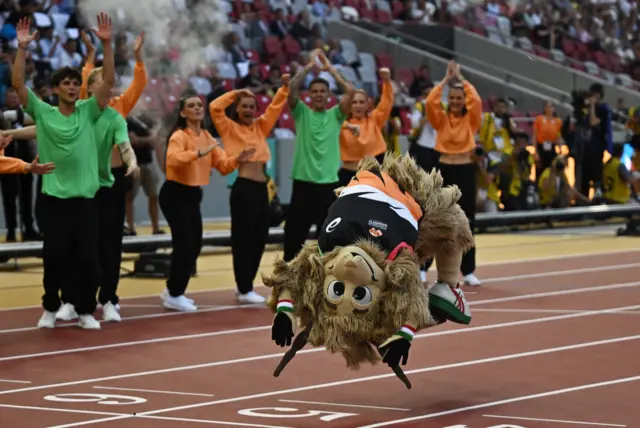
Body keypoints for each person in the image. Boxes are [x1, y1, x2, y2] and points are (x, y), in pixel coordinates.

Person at [12, 13, 116, 329]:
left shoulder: (89, 111)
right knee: (54, 259)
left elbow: (108, 80)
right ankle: (50, 307)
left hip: (85, 200)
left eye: (75, 83)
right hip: (53, 199)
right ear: (56, 89)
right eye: (66, 83)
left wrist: (107, 44)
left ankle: (85, 310)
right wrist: (22, 49)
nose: (72, 87)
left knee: (90, 263)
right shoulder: (42, 113)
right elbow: (18, 83)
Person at [161, 91, 256, 312]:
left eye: (199, 105)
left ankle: (172, 289)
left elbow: (222, 166)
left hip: (193, 195)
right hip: (175, 194)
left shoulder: (207, 137)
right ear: (183, 112)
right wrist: (197, 153)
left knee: (194, 244)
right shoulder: (179, 136)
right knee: (184, 244)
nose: (197, 108)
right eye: (191, 106)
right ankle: (175, 293)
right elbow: (172, 160)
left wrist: (237, 160)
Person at [208, 75, 291, 304]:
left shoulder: (260, 128)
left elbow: (275, 108)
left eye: (252, 106)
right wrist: (237, 93)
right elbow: (215, 107)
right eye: (244, 106)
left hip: (261, 189)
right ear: (237, 108)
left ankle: (246, 284)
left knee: (259, 237)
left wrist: (284, 87)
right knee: (243, 239)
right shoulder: (229, 128)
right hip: (243, 189)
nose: (248, 110)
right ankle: (243, 287)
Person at [283, 48, 354, 262]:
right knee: (294, 236)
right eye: (314, 91)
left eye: (323, 91)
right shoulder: (301, 112)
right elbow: (292, 89)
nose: (319, 95)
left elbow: (350, 92)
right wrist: (308, 66)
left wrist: (329, 68)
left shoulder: (336, 115)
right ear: (310, 95)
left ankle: (325, 280)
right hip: (303, 184)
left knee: (328, 238)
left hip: (328, 185)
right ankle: (288, 280)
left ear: (328, 95)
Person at [424, 61, 483, 286]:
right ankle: (424, 267)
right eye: (453, 98)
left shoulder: (471, 120)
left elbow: (476, 101)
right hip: (444, 170)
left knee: (466, 222)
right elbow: (430, 101)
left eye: (460, 98)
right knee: (436, 220)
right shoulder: (440, 120)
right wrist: (446, 81)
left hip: (465, 170)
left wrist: (461, 78)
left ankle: (467, 271)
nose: (457, 101)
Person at [337, 67, 393, 187]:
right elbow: (330, 123)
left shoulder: (374, 120)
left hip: (373, 176)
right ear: (349, 105)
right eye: (354, 102)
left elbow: (386, 102)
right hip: (348, 176)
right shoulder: (342, 124)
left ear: (368, 105)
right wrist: (348, 126)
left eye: (362, 102)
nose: (358, 106)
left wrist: (387, 81)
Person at [533, 100, 563, 180]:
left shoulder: (558, 121)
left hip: (551, 147)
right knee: (539, 170)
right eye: (547, 106)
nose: (549, 108)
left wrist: (560, 150)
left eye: (551, 106)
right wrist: (536, 152)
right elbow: (535, 136)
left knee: (552, 169)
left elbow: (558, 136)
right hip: (541, 146)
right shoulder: (539, 119)